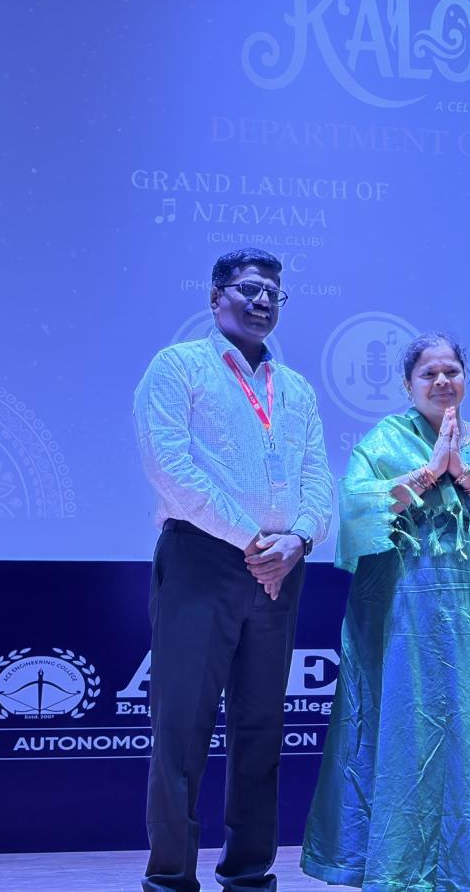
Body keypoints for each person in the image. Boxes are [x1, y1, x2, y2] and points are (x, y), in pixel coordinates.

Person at [301, 332, 470, 892]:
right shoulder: (384, 442)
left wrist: (463, 472)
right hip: (403, 626)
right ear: (407, 385)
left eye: (451, 371)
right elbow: (358, 509)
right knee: (406, 739)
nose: (442, 381)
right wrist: (427, 471)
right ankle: (399, 871)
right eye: (429, 374)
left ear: (465, 378)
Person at [133, 248, 333, 891]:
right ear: (215, 296)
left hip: (282, 566)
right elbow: (170, 467)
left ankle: (249, 875)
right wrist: (254, 541)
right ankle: (170, 878)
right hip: (203, 558)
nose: (263, 301)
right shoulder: (177, 367)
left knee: (261, 727)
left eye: (274, 292)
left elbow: (318, 478)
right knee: (182, 727)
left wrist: (299, 539)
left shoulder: (295, 387)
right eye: (249, 289)